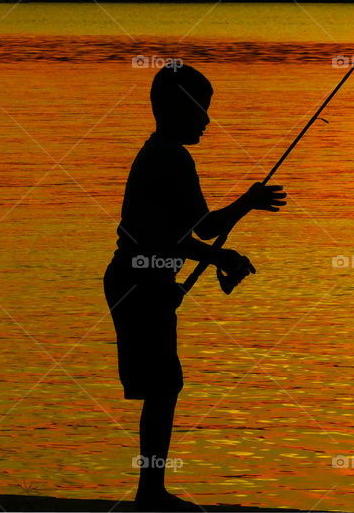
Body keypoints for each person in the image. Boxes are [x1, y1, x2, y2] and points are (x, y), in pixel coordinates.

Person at [103, 64, 286, 511]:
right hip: (139, 282)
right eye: (201, 109)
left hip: (137, 278)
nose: (207, 120)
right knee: (163, 386)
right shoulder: (171, 158)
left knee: (163, 385)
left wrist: (219, 257)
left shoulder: (158, 153)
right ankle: (150, 494)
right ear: (177, 109)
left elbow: (174, 237)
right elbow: (204, 227)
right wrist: (248, 201)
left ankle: (151, 491)